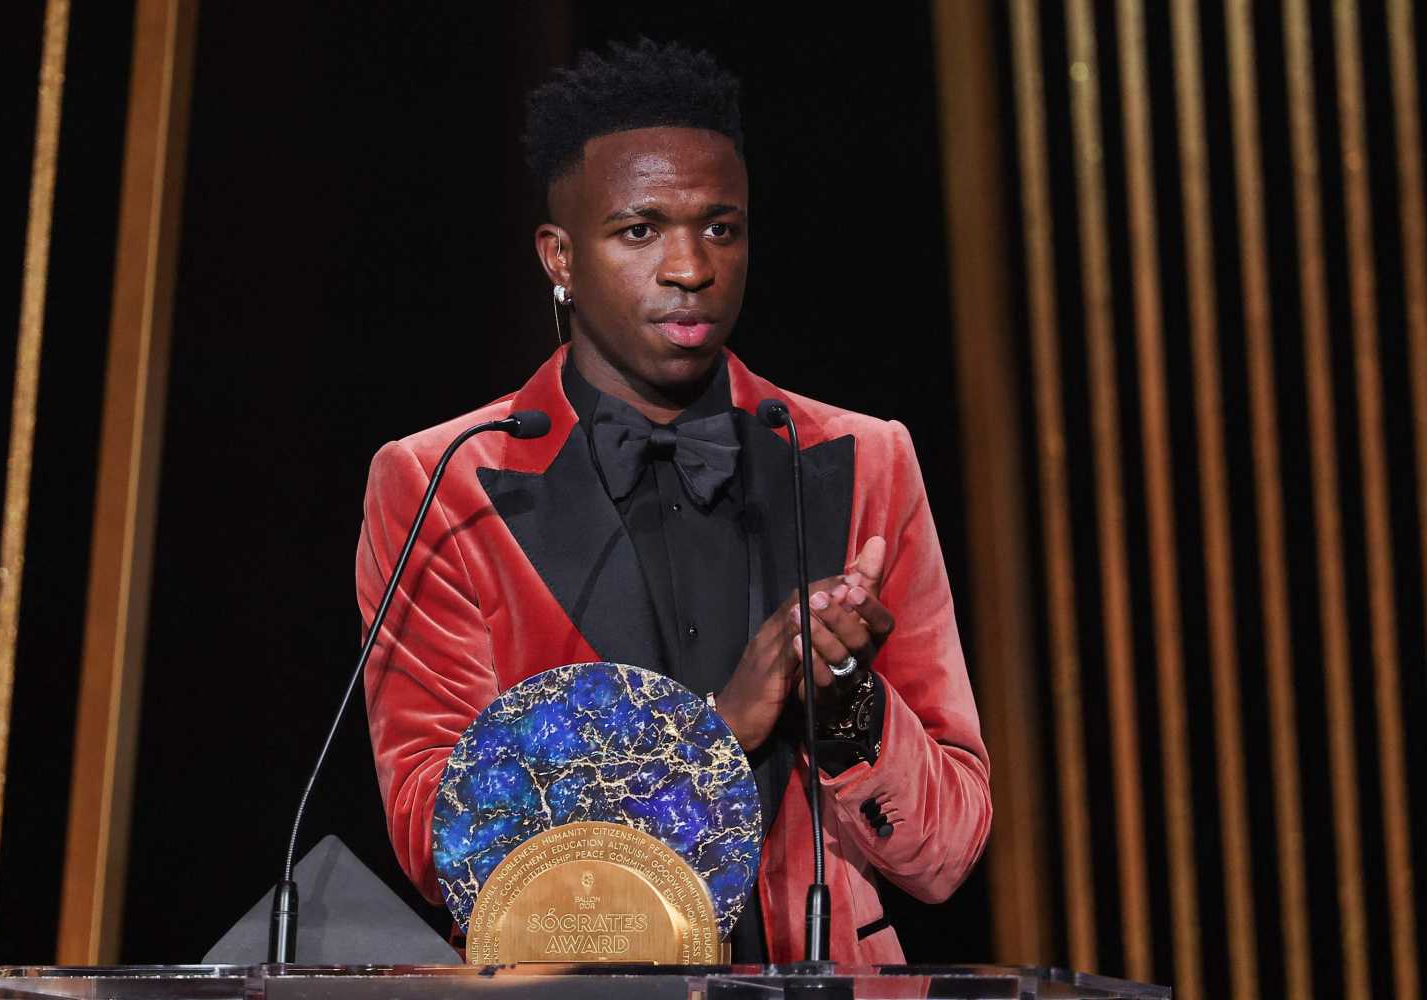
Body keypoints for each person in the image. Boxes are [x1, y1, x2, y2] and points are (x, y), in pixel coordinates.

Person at [356, 38, 990, 965]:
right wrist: (716, 731)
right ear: (559, 257)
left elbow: (950, 850)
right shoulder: (437, 480)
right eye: (640, 231)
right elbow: (438, 835)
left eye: (720, 229)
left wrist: (848, 701)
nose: (690, 267)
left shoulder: (866, 461)